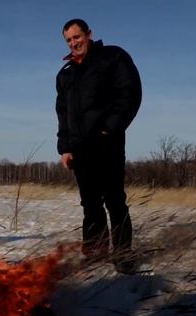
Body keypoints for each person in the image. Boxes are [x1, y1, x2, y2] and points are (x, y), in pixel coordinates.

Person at [55, 19, 141, 274]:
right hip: (80, 148)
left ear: (89, 34)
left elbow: (130, 93)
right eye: (69, 40)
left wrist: (110, 128)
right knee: (90, 202)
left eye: (77, 37)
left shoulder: (112, 57)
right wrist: (65, 147)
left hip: (107, 142)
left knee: (114, 199)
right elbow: (62, 112)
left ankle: (123, 255)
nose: (74, 43)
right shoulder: (65, 74)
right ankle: (95, 252)